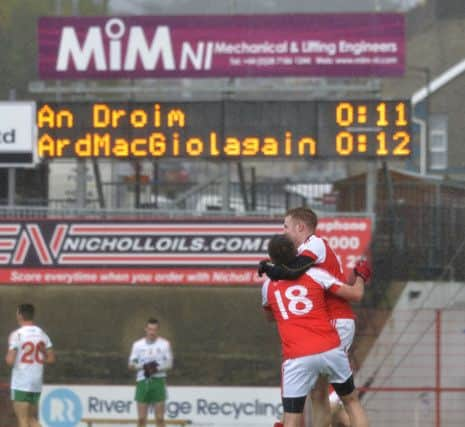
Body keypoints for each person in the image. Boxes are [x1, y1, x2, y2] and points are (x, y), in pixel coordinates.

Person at [260, 207, 370, 427]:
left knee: (338, 398)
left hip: (335, 321)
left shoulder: (314, 244)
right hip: (325, 325)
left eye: (286, 225)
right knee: (320, 394)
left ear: (300, 227)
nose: (283, 230)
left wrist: (269, 270)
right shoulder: (303, 261)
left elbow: (292, 270)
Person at [5, 303, 56, 427]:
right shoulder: (42, 334)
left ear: (20, 315)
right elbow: (51, 359)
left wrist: (9, 357)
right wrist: (38, 358)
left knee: (23, 421)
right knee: (31, 419)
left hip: (21, 382)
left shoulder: (17, 335)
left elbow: (10, 361)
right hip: (36, 382)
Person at [128, 318, 173, 427]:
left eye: (155, 329)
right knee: (141, 419)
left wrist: (156, 369)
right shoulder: (137, 345)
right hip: (143, 381)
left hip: (158, 381)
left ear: (158, 330)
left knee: (160, 418)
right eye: (150, 329)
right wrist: (143, 367)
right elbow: (131, 364)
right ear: (146, 329)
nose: (152, 332)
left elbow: (169, 364)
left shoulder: (164, 344)